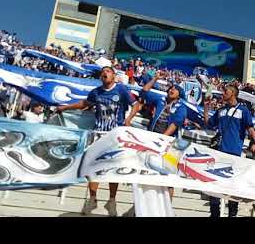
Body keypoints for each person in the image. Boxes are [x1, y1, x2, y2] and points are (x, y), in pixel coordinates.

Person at [56, 66, 136, 217]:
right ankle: (92, 199)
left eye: (108, 71)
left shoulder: (122, 90)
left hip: (115, 135)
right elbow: (85, 104)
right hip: (98, 134)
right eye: (102, 72)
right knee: (94, 168)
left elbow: (136, 105)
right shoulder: (96, 92)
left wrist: (129, 119)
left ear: (114, 76)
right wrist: (66, 107)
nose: (105, 73)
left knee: (114, 168)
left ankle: (111, 201)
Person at [125, 70, 187, 202]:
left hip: (171, 145)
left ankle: (167, 207)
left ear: (179, 95)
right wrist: (154, 79)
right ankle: (143, 204)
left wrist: (163, 139)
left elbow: (176, 123)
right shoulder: (160, 100)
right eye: (171, 88)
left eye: (175, 89)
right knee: (147, 171)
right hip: (153, 141)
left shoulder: (181, 107)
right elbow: (144, 93)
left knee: (168, 176)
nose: (172, 89)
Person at [203, 84, 255, 217]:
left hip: (234, 154)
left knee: (232, 187)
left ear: (234, 94)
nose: (223, 93)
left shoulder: (243, 110)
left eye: (226, 91)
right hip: (218, 153)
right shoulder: (220, 110)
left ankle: (232, 214)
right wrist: (206, 107)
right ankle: (214, 214)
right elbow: (208, 124)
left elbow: (251, 130)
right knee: (214, 186)